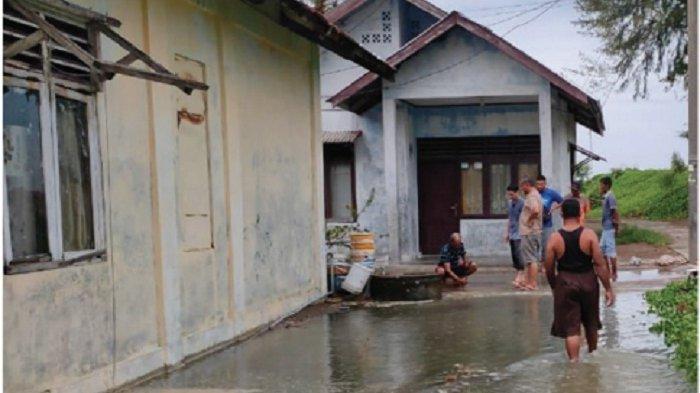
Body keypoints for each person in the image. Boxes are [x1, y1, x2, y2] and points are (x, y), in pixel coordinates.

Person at [544, 198, 615, 362]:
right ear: (579, 213)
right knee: (591, 323)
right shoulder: (589, 235)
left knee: (571, 328)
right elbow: (600, 264)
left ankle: (574, 365)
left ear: (562, 214)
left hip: (566, 283)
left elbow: (548, 267)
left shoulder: (555, 238)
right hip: (589, 282)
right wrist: (608, 288)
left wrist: (554, 285)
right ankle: (593, 357)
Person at [519, 178, 542, 290]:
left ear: (527, 185)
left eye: (522, 186)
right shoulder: (535, 195)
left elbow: (536, 210)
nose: (521, 189)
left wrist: (528, 221)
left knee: (531, 259)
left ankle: (532, 284)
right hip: (532, 231)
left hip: (530, 231)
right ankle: (528, 282)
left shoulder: (532, 196)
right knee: (529, 259)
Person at [536, 175, 564, 262]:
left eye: (541, 184)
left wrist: (555, 207)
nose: (539, 186)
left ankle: (545, 264)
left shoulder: (551, 193)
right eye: (538, 184)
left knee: (546, 245)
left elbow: (562, 201)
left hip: (547, 224)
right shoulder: (533, 193)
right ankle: (537, 264)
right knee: (536, 245)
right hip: (535, 225)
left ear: (545, 184)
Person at [505, 184, 525, 288]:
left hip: (520, 232)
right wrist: (507, 233)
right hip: (512, 232)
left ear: (517, 192)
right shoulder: (509, 203)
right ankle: (519, 274)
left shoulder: (523, 203)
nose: (510, 197)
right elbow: (510, 218)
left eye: (512, 195)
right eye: (509, 195)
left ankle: (521, 276)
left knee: (519, 254)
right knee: (514, 255)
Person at [599, 176, 620, 281]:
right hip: (605, 228)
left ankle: (615, 272)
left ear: (606, 185)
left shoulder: (611, 196)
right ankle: (607, 271)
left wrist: (616, 227)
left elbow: (614, 212)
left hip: (609, 228)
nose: (600, 187)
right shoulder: (605, 196)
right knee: (602, 250)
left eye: (601, 185)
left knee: (611, 252)